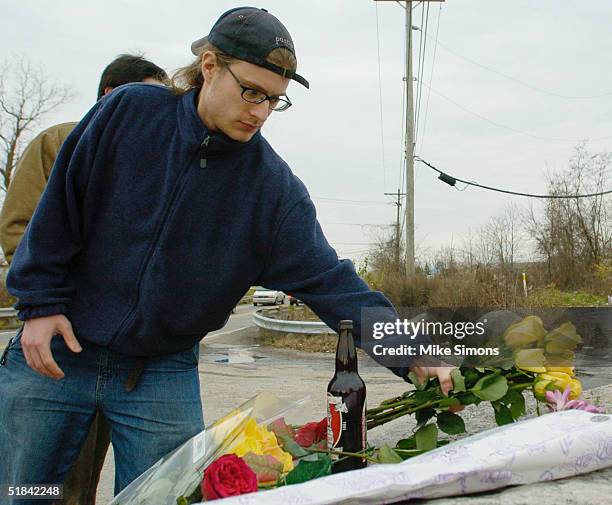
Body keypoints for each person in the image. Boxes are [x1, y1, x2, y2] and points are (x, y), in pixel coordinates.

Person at [0, 7, 455, 502]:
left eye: (275, 101)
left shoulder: (271, 193)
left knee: (162, 497)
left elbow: (331, 282)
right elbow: (59, 209)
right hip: (57, 350)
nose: (259, 111)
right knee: (25, 489)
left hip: (158, 371)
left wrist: (410, 351)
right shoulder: (128, 113)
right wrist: (40, 305)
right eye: (251, 92)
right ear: (210, 66)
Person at [0, 54, 168, 505]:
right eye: (151, 97)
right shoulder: (57, 142)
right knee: (35, 479)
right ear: (114, 97)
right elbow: (20, 230)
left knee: (105, 475)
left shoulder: (158, 160)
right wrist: (48, 302)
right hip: (59, 340)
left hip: (129, 353)